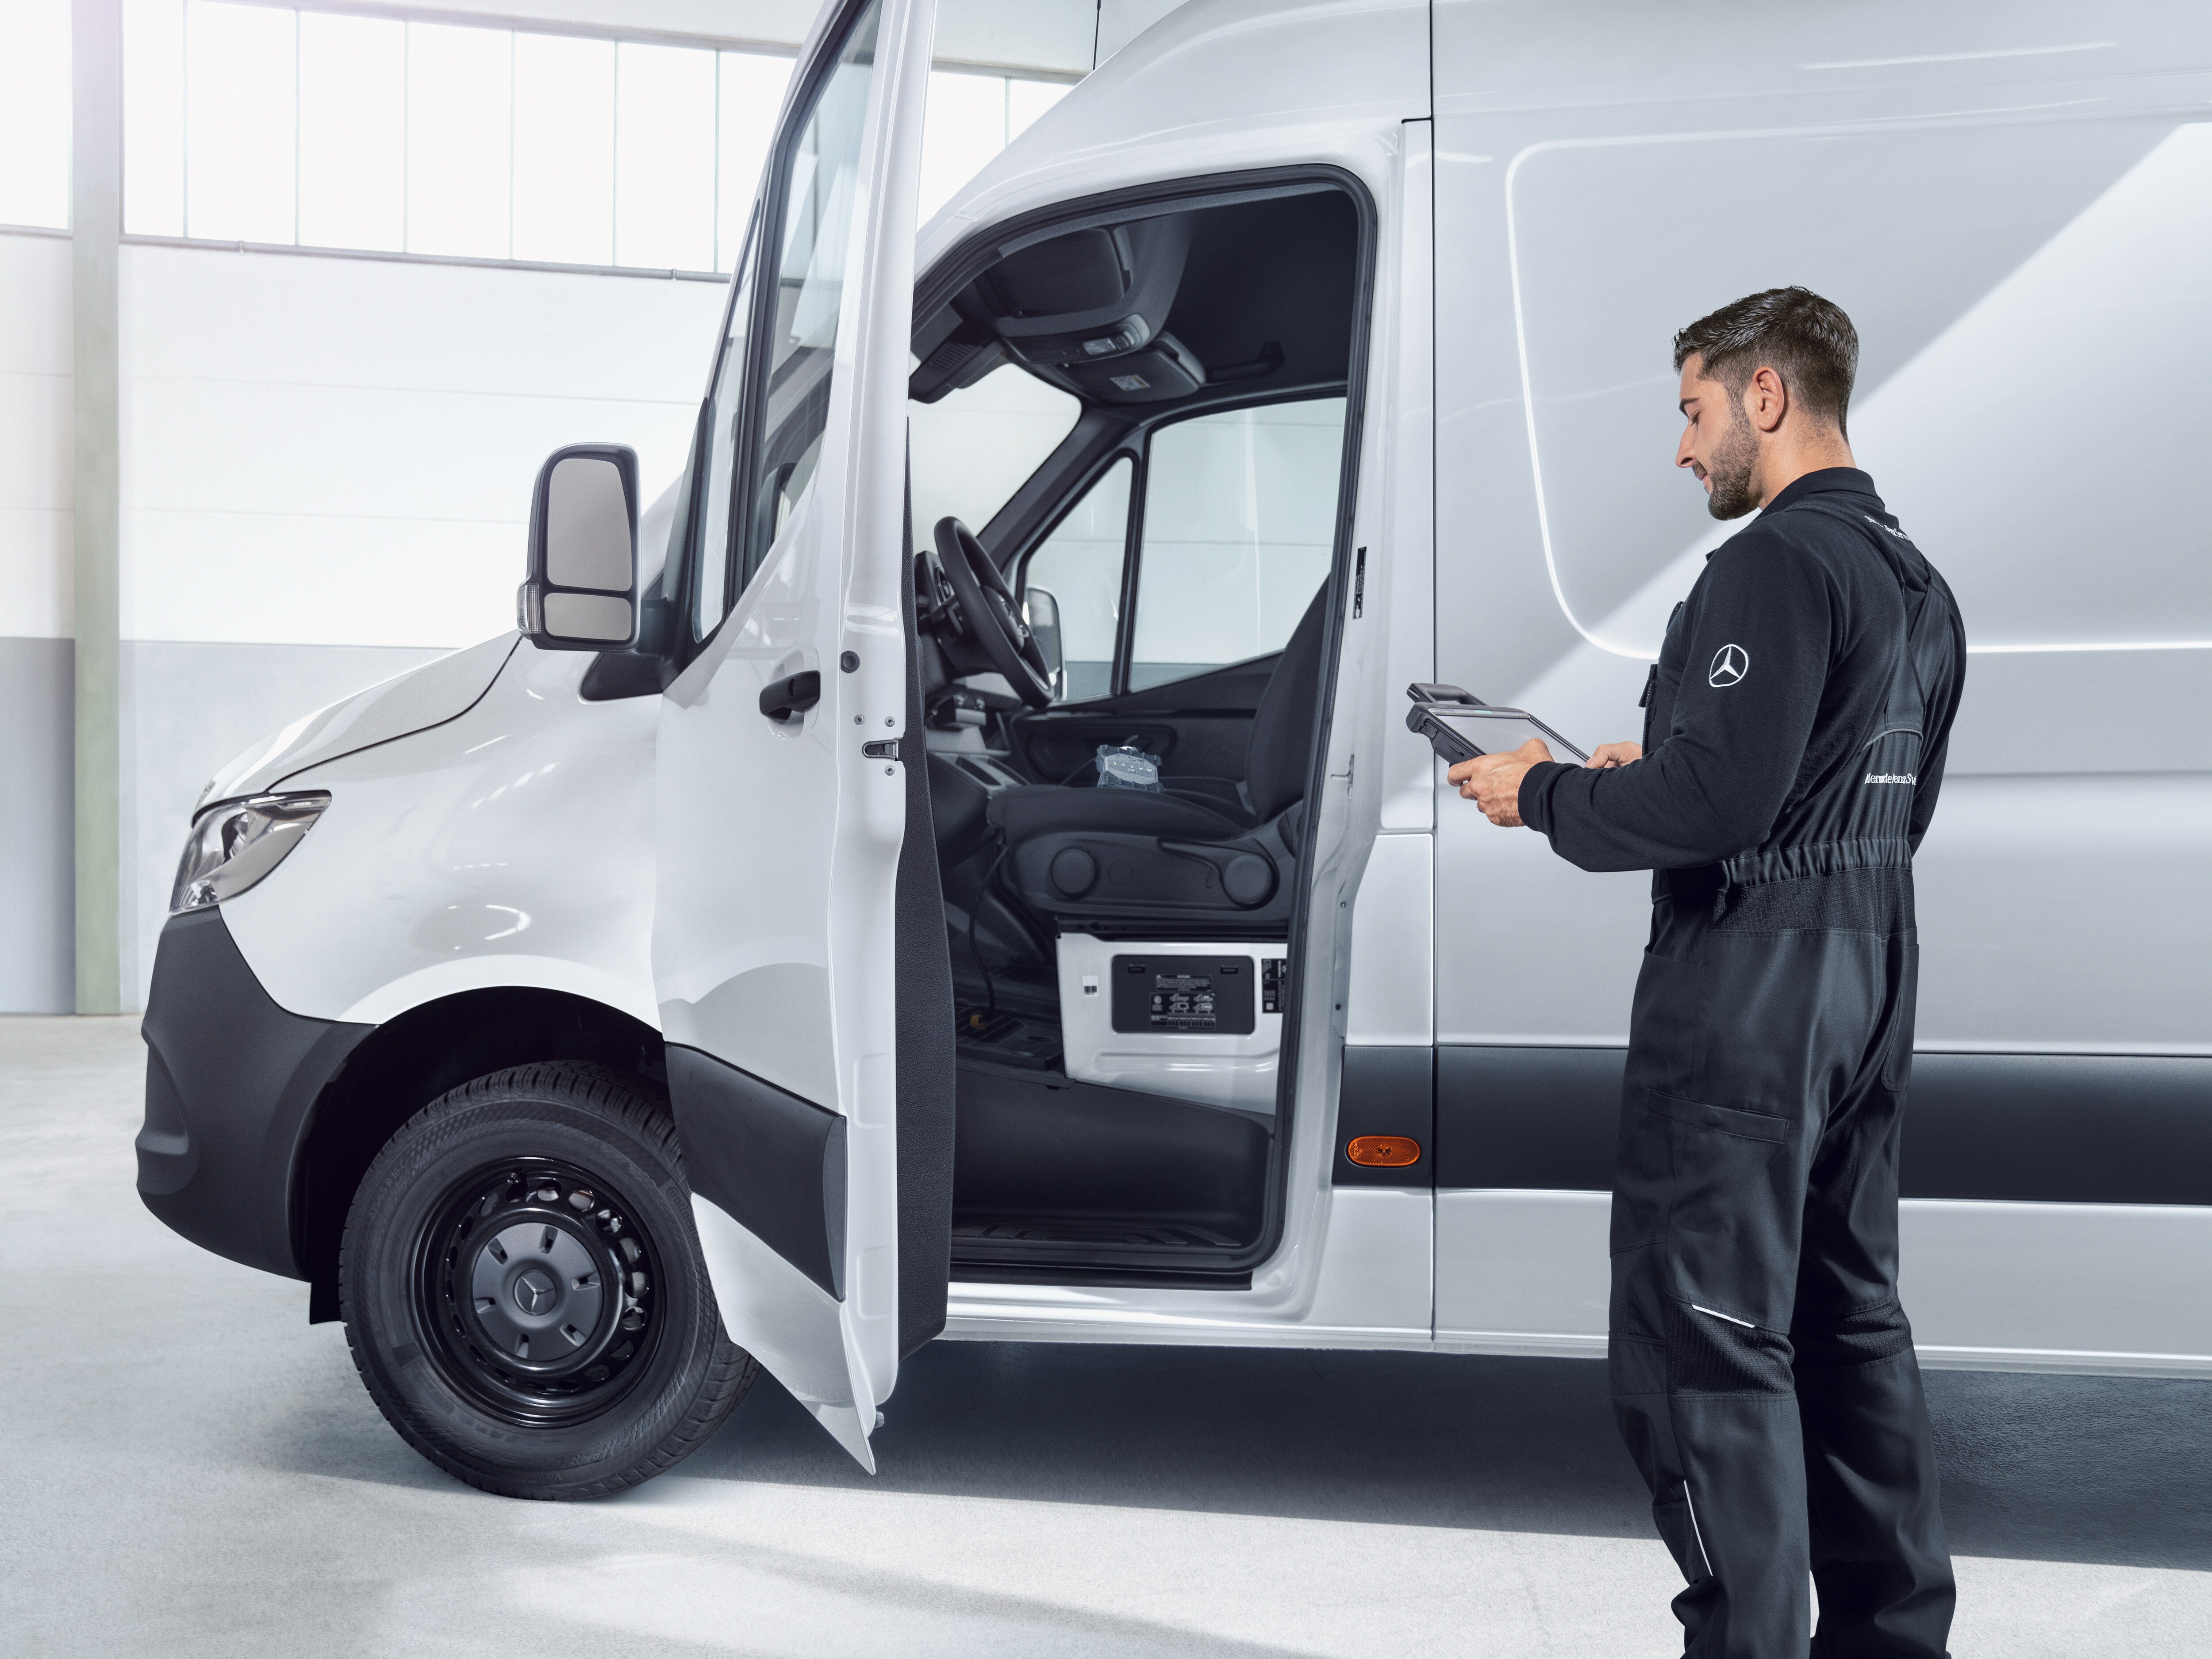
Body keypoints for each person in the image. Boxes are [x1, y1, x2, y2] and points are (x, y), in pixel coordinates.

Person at [1450, 288, 1964, 1657]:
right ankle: (1892, 1640)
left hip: (1749, 987)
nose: (1685, 449)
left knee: (1706, 1334)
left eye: (1693, 410)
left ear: (1768, 396)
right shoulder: (1914, 579)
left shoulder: (1772, 565)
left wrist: (1547, 792)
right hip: (1870, 963)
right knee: (1848, 1319)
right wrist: (1653, 774)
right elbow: (1846, 797)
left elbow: (1722, 816)